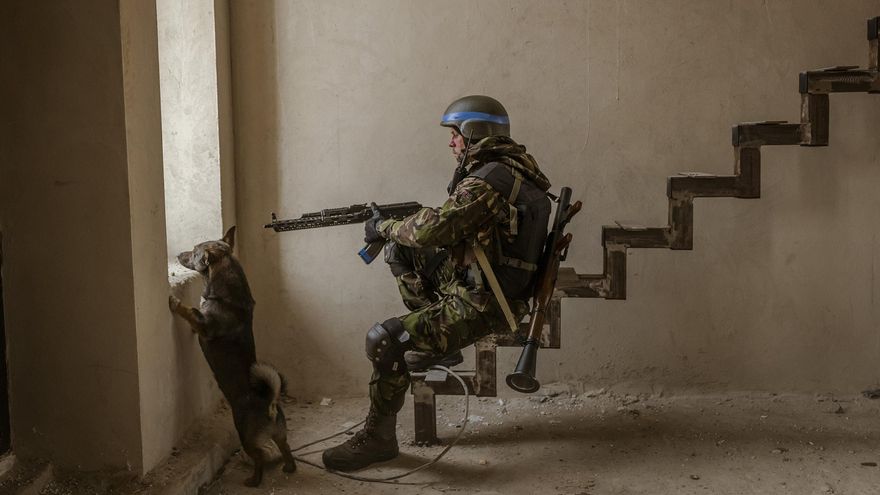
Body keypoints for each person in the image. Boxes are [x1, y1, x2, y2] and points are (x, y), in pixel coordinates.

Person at [322, 95, 553, 472]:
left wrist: (383, 226)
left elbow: (432, 229)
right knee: (401, 251)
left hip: (485, 302)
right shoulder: (511, 170)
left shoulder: (487, 181)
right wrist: (398, 233)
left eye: (454, 134)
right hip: (489, 284)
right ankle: (439, 345)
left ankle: (379, 439)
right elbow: (451, 229)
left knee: (383, 340)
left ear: (473, 133)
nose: (451, 143)